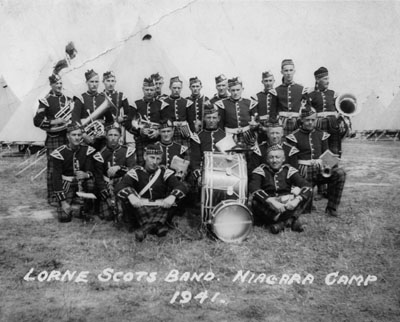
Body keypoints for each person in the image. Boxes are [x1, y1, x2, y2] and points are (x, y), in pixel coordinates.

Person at [116, 144, 188, 241]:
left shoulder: (164, 172)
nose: (155, 162)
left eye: (158, 159)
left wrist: (172, 197)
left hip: (160, 206)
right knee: (128, 196)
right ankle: (158, 226)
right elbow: (120, 185)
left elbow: (180, 186)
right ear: (145, 156)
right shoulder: (136, 172)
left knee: (175, 198)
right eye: (152, 158)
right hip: (141, 207)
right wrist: (131, 196)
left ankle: (146, 228)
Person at [285, 107, 347, 217]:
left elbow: (326, 156)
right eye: (307, 120)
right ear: (302, 120)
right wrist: (295, 183)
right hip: (303, 173)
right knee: (305, 210)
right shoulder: (293, 136)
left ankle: (332, 208)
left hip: (320, 170)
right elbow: (292, 162)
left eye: (313, 120)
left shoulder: (321, 134)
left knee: (340, 173)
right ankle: (307, 201)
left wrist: (331, 167)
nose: (310, 122)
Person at [249, 144, 312, 233]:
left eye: (277, 157)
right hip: (268, 205)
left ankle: (282, 223)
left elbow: (306, 185)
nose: (274, 160)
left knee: (307, 193)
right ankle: (290, 221)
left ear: (283, 159)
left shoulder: (289, 170)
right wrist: (271, 201)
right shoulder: (260, 170)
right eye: (271, 157)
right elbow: (254, 187)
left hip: (286, 204)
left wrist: (296, 200)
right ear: (267, 159)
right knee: (255, 201)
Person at [50, 123, 106, 222]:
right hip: (67, 183)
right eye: (74, 135)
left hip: (83, 182)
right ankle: (70, 205)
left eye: (79, 135)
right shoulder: (59, 153)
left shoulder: (87, 150)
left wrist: (87, 174)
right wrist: (63, 202)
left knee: (91, 184)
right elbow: (56, 178)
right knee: (64, 218)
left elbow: (94, 170)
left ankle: (86, 208)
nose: (77, 138)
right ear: (68, 136)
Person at [33, 73, 72, 205]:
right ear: (51, 85)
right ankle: (53, 196)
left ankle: (68, 194)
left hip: (66, 136)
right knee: (53, 167)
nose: (59, 86)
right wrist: (56, 121)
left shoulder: (68, 99)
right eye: (56, 83)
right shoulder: (46, 100)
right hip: (53, 137)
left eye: (61, 83)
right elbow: (37, 120)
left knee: (68, 165)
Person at [307, 67, 348, 158]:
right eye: (325, 79)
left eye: (328, 78)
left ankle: (333, 169)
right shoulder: (310, 95)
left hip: (333, 126)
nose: (328, 81)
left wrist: (341, 121)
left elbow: (339, 110)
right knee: (321, 150)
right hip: (319, 126)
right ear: (317, 79)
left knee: (334, 150)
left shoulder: (333, 94)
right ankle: (322, 171)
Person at [98, 126, 136, 220]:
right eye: (110, 135)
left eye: (116, 135)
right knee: (107, 216)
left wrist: (119, 167)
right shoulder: (100, 154)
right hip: (107, 184)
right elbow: (98, 176)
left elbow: (133, 169)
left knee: (126, 214)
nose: (113, 138)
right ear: (106, 136)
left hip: (123, 183)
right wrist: (105, 194)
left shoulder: (127, 151)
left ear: (120, 136)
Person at [71, 69, 114, 149]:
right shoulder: (81, 99)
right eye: (92, 82)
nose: (94, 84)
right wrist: (84, 135)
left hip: (101, 141)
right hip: (85, 140)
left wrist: (105, 131)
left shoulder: (103, 98)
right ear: (86, 82)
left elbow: (110, 122)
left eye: (96, 82)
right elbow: (75, 121)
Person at [129, 77, 165, 166]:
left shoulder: (161, 105)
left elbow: (166, 123)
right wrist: (139, 131)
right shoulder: (135, 105)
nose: (149, 92)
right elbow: (128, 124)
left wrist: (158, 132)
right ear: (143, 89)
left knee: (156, 165)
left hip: (157, 141)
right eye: (147, 90)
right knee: (142, 165)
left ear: (155, 90)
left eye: (151, 90)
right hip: (141, 141)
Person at [214, 77, 258, 147]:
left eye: (238, 90)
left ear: (242, 89)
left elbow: (255, 122)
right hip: (229, 137)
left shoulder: (249, 103)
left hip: (248, 137)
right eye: (233, 90)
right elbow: (220, 125)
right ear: (229, 90)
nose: (235, 93)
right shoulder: (222, 104)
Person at [190, 104, 226, 184]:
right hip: (204, 173)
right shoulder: (197, 137)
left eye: (214, 117)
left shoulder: (225, 136)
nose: (211, 120)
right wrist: (199, 176)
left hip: (222, 173)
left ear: (218, 119)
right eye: (208, 117)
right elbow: (195, 161)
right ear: (204, 119)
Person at [275, 59, 309, 136]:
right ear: (282, 72)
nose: (288, 73)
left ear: (294, 71)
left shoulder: (301, 89)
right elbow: (273, 111)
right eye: (286, 71)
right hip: (282, 123)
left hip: (297, 122)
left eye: (291, 70)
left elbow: (307, 108)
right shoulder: (276, 90)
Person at [160, 76, 193, 147]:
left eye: (179, 88)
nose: (177, 90)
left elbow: (190, 121)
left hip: (184, 132)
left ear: (181, 88)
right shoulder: (164, 102)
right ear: (170, 87)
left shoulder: (186, 102)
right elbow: (162, 119)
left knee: (185, 155)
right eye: (174, 88)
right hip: (169, 132)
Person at [102, 71, 132, 138]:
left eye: (112, 81)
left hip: (117, 127)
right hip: (103, 128)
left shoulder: (121, 95)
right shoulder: (100, 96)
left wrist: (122, 118)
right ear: (103, 82)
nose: (110, 84)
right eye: (108, 81)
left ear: (115, 82)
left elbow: (128, 113)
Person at [251, 70, 278, 143]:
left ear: (274, 81)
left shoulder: (277, 95)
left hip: (276, 129)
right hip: (262, 129)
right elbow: (255, 116)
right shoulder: (256, 97)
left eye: (270, 80)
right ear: (262, 82)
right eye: (266, 81)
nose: (268, 83)